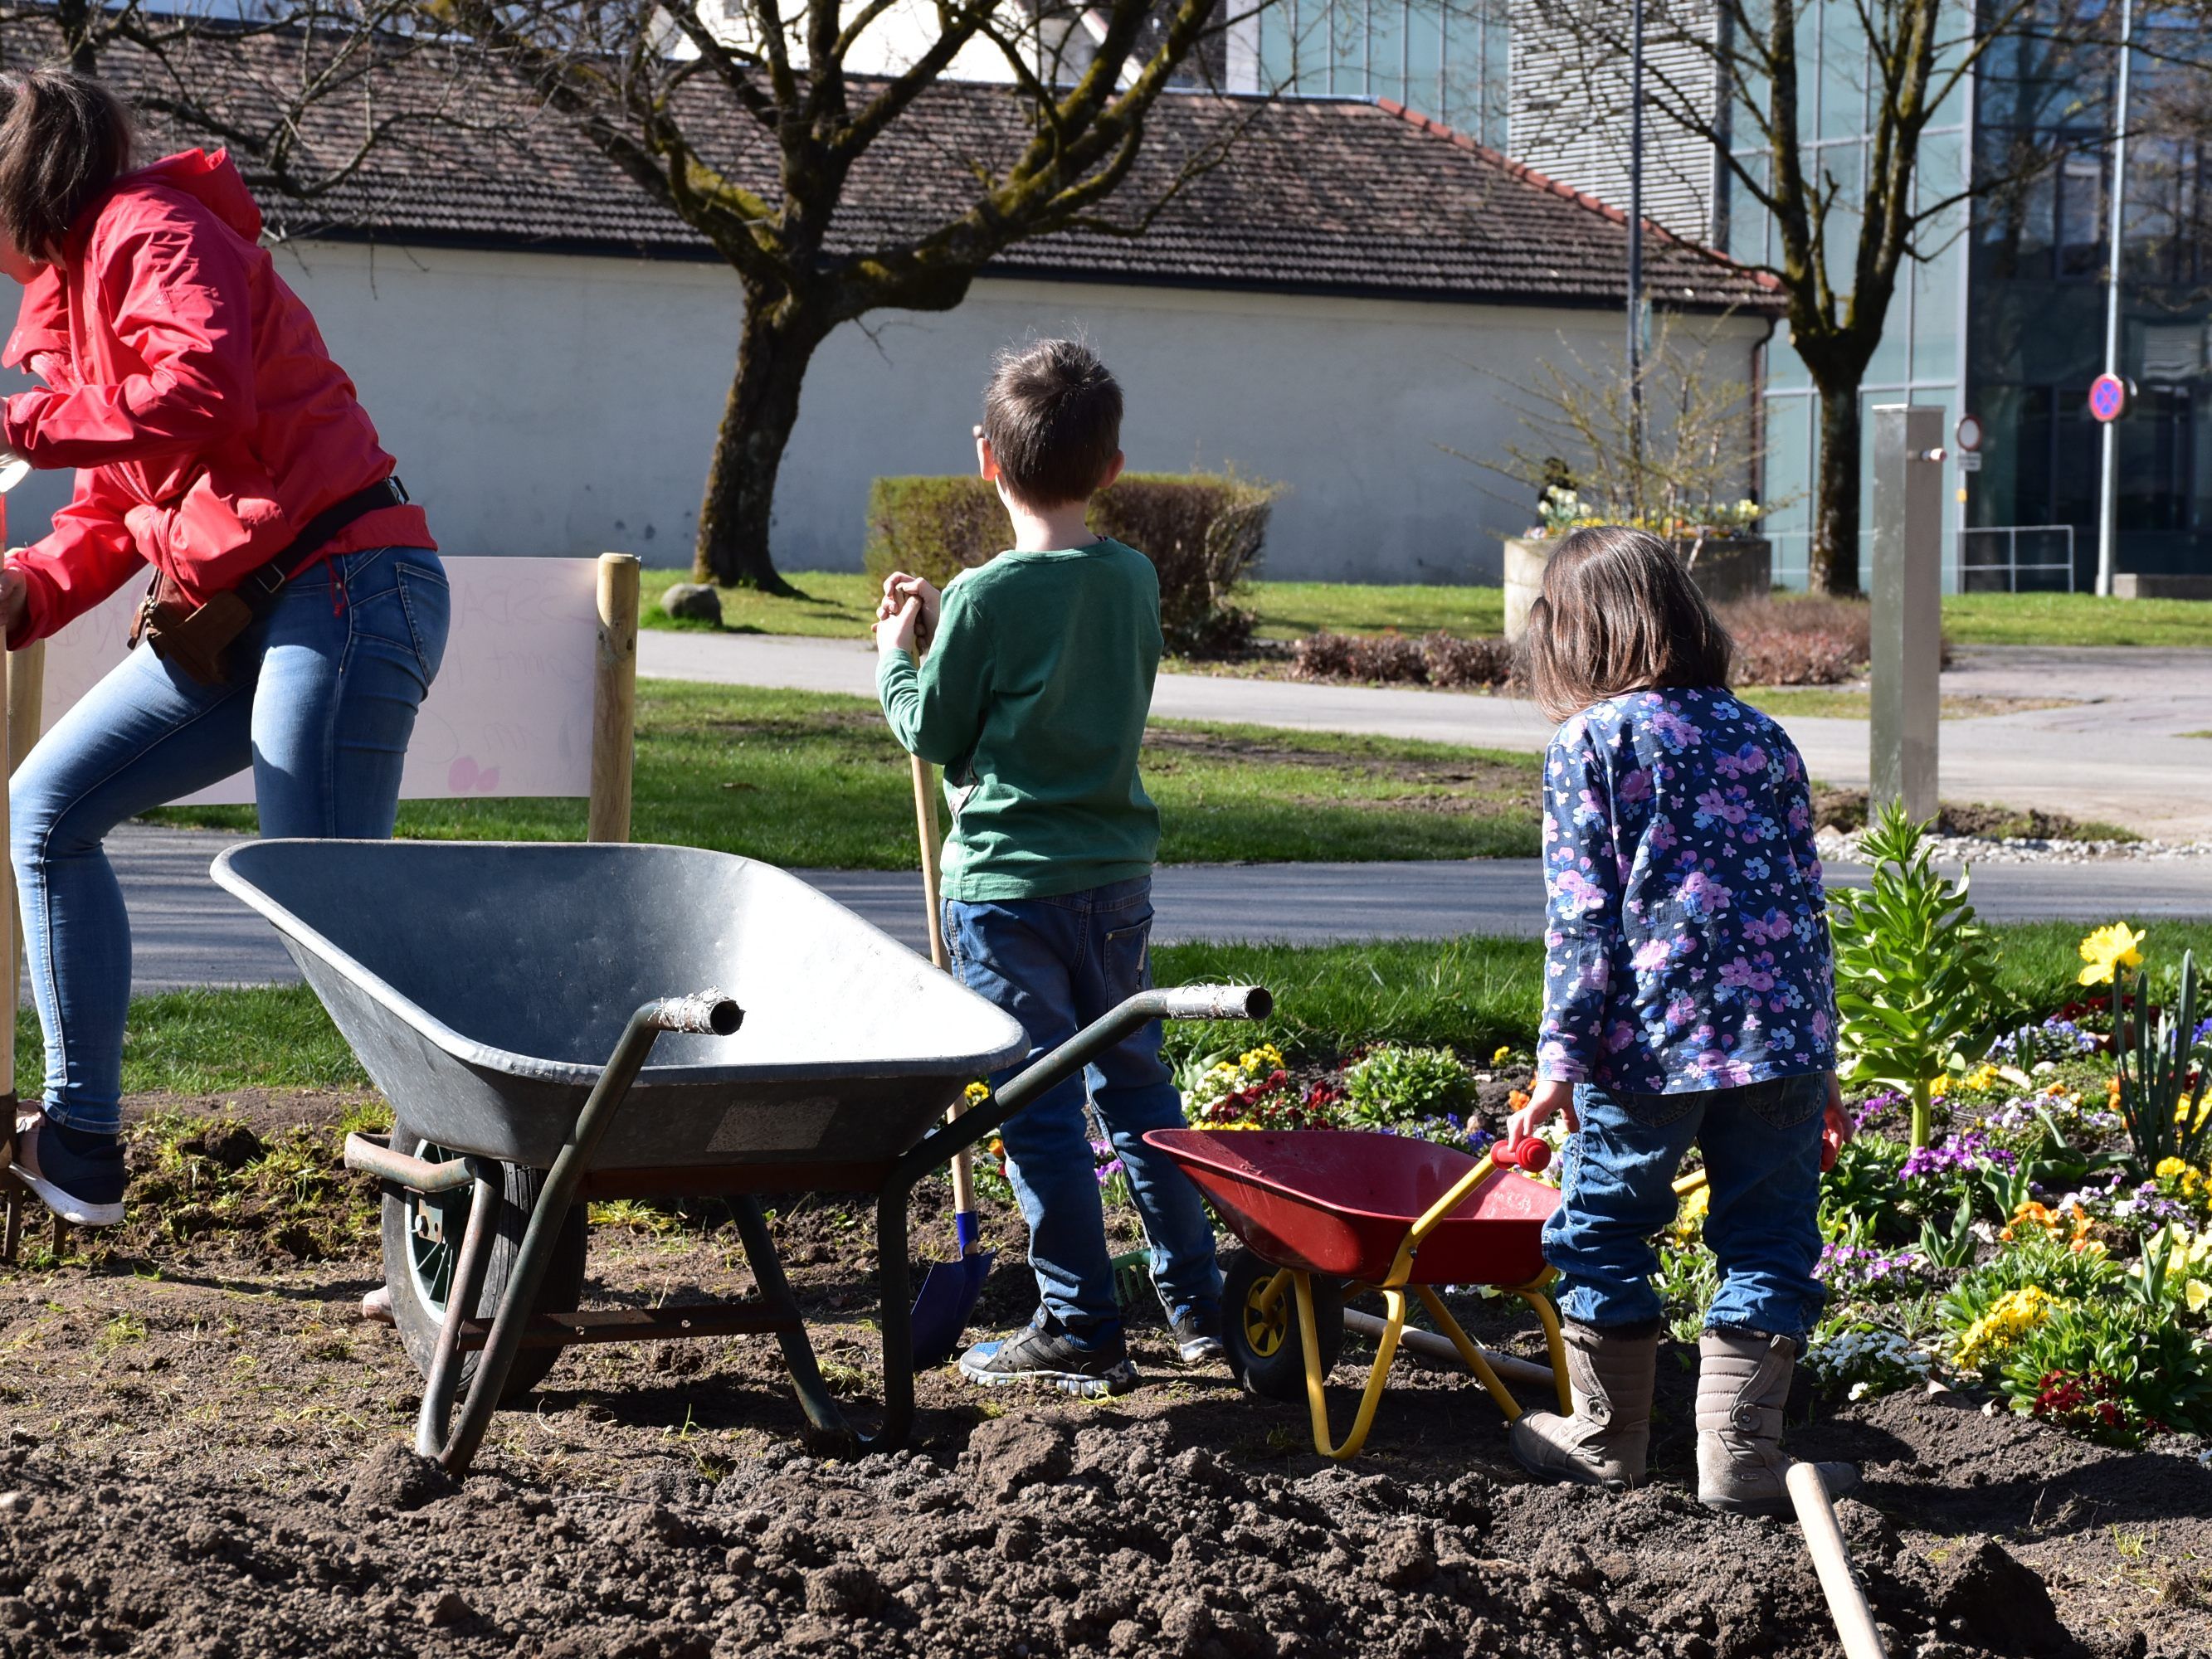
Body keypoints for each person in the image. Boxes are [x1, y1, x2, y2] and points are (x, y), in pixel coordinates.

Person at [0, 71, 446, 1230]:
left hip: (345, 582)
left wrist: (15, 422)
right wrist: (19, 593)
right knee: (47, 804)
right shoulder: (73, 301)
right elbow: (109, 509)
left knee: (329, 898)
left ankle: (480, 1187)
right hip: (237, 615)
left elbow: (198, 394)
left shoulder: (155, 231)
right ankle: (85, 1140)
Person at [872, 338, 1220, 1397]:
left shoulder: (980, 594)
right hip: (1114, 878)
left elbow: (935, 732)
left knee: (1037, 1108)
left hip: (1006, 890)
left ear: (988, 458)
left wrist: (899, 651)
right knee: (1138, 1092)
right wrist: (951, 642)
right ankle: (1202, 1309)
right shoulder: (1131, 576)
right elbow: (1063, 687)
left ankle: (1078, 1323)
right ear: (1113, 467)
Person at [1503, 526, 1859, 1516]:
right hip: (1780, 1036)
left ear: (1574, 632)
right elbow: (1802, 901)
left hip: (1646, 1045)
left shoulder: (1592, 742)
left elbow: (1580, 921)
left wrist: (1557, 1062)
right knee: (1768, 1236)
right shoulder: (1762, 735)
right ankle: (1740, 1463)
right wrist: (1821, 1054)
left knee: (1608, 1226)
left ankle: (1604, 1442)